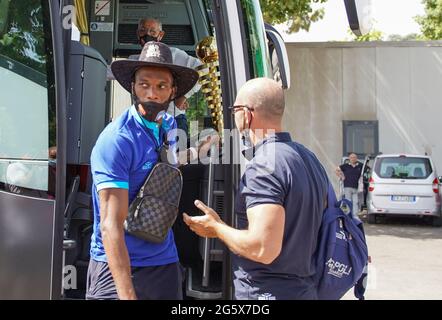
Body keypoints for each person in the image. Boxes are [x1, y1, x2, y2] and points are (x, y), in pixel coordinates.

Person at [183, 78, 329, 300]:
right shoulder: (308, 158)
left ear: (246, 114)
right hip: (305, 290)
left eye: (234, 109)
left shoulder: (264, 167)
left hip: (265, 293)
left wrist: (216, 228)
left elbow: (262, 249)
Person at [86, 41, 207, 300]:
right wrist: (127, 295)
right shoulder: (117, 140)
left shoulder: (169, 125)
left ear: (173, 91)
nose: (152, 93)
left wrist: (198, 151)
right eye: (144, 84)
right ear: (133, 87)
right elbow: (110, 226)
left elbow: (167, 162)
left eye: (161, 86)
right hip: (117, 266)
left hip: (163, 261)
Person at [135, 17, 202, 135]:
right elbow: (107, 71)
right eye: (143, 31)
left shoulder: (174, 54)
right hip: (145, 123)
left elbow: (203, 69)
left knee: (176, 153)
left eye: (152, 32)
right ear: (137, 34)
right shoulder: (134, 61)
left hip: (173, 120)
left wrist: (184, 96)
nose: (147, 35)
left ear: (160, 35)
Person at [335, 153, 363, 220]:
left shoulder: (360, 166)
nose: (353, 159)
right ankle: (348, 215)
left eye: (354, 157)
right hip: (347, 186)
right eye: (352, 157)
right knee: (348, 201)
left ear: (356, 158)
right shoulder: (345, 166)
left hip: (356, 187)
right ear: (349, 158)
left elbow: (366, 169)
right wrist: (341, 176)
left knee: (355, 202)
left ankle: (355, 216)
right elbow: (337, 169)